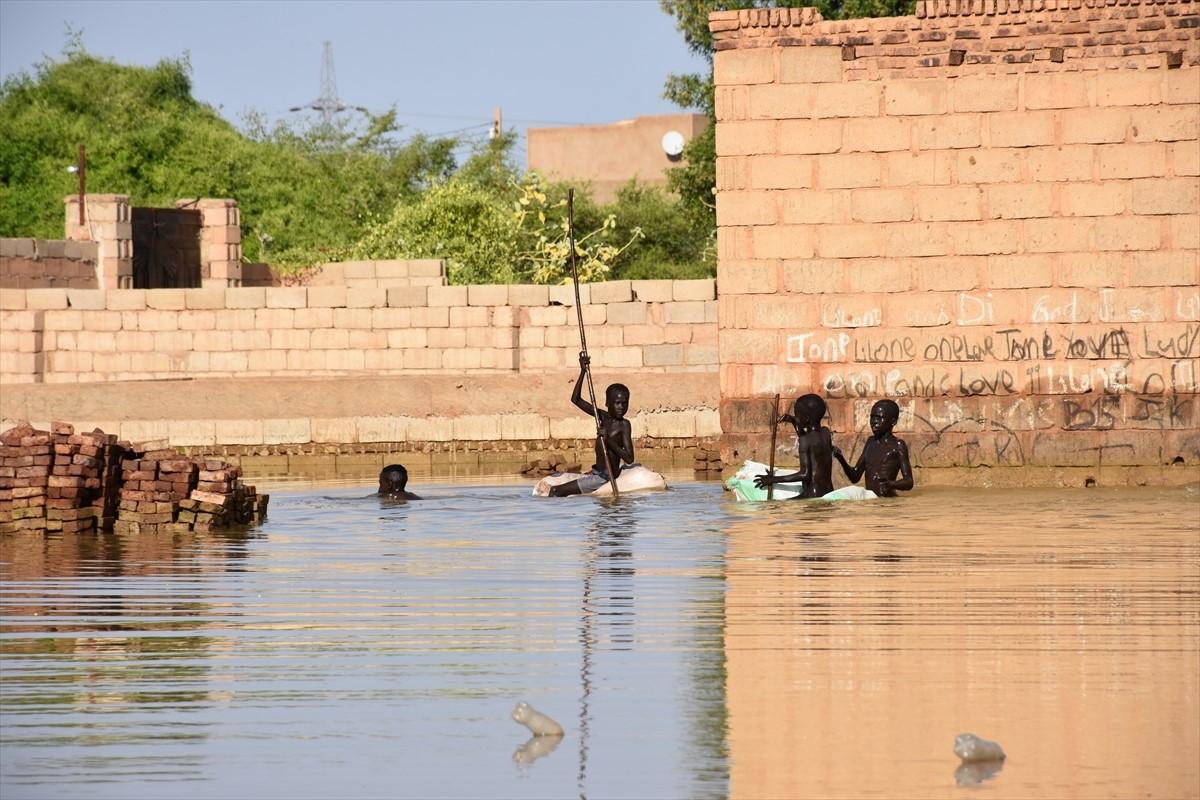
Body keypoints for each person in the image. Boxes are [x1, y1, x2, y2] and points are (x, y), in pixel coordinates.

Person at [549, 353, 634, 497]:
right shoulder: (602, 416)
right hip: (596, 472)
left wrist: (609, 441)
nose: (621, 407)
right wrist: (582, 371)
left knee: (555, 491)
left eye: (624, 403)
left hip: (604, 478)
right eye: (617, 403)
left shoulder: (624, 425)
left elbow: (630, 458)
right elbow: (576, 399)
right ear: (607, 403)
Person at [754, 394, 835, 499]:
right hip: (828, 492)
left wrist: (772, 479)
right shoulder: (826, 433)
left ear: (806, 419)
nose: (796, 418)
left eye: (797, 415)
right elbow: (808, 441)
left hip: (812, 494)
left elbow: (804, 475)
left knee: (778, 506)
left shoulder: (805, 440)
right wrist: (793, 421)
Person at [833, 399, 914, 498]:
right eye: (872, 417)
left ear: (893, 421)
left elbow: (909, 481)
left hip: (888, 503)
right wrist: (840, 458)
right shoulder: (870, 442)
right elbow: (855, 477)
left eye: (879, 418)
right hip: (871, 500)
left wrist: (891, 484)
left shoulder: (898, 445)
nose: (874, 421)